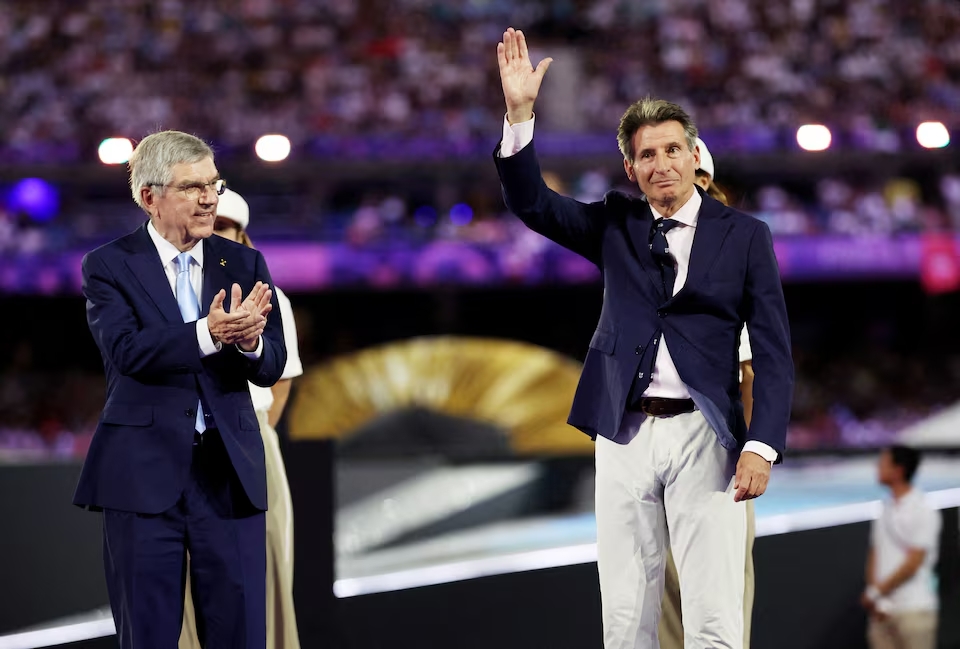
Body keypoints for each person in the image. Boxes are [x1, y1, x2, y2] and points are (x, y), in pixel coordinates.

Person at [494, 28, 794, 649]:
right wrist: (520, 115)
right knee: (625, 616)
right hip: (625, 429)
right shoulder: (615, 223)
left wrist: (762, 444)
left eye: (672, 150)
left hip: (705, 434)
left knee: (715, 616)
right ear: (631, 168)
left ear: (692, 156)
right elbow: (532, 204)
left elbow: (772, 349)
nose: (661, 164)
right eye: (647, 155)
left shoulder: (745, 235)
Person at [74, 130, 287, 649]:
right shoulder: (108, 265)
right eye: (192, 187)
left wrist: (252, 343)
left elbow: (273, 364)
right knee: (148, 635)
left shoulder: (242, 263)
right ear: (149, 197)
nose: (210, 197)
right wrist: (208, 333)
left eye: (214, 184)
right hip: (143, 475)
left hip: (229, 475)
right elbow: (127, 351)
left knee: (239, 634)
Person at [180, 188, 304, 649]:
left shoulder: (271, 298)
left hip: (250, 440)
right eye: (209, 228)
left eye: (226, 228)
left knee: (263, 566)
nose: (216, 236)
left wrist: (252, 439)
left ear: (242, 237)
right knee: (185, 575)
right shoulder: (173, 292)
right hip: (186, 445)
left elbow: (283, 378)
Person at [658, 138, 758, 649]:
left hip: (714, 456)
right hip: (655, 452)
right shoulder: (653, 259)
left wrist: (746, 452)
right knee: (662, 606)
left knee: (717, 610)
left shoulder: (729, 261)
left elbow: (750, 373)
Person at [861, 445, 941, 649]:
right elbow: (875, 551)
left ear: (898, 470)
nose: (877, 467)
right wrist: (877, 597)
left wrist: (876, 593)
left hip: (914, 609)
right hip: (883, 610)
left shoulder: (922, 510)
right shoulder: (885, 507)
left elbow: (914, 562)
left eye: (883, 463)